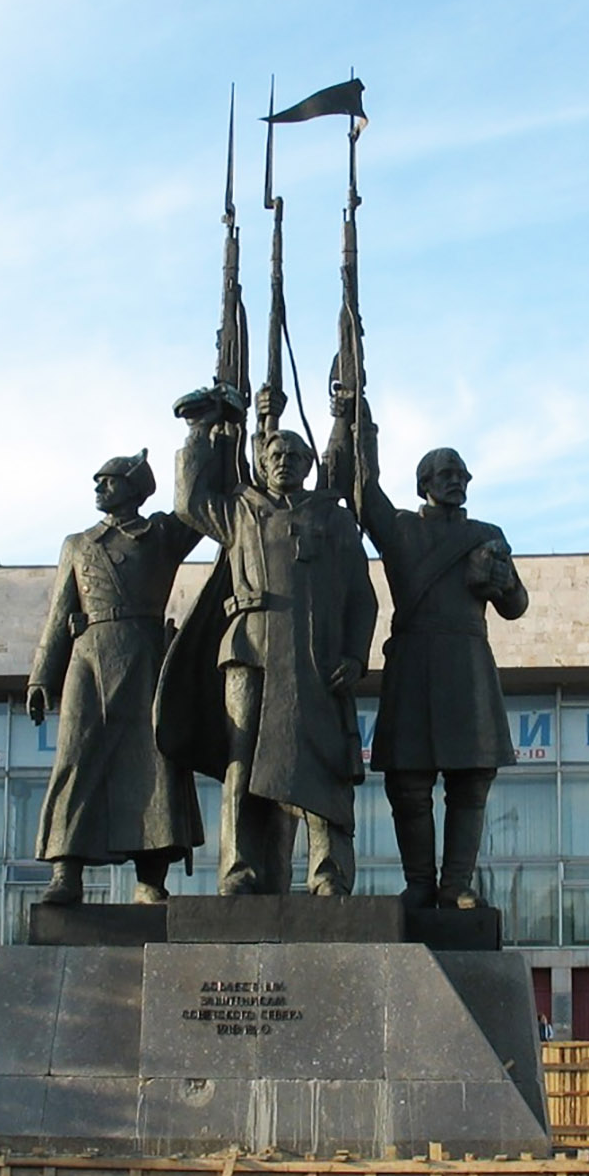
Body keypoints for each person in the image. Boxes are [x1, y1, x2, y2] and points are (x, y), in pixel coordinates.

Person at [162, 385, 377, 896]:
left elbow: (362, 596)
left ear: (308, 465)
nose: (283, 461)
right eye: (274, 454)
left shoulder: (334, 517)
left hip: (316, 655)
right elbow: (189, 501)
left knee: (324, 762)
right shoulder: (240, 510)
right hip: (250, 652)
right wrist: (200, 431)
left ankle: (329, 874)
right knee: (244, 761)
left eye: (293, 456)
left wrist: (353, 654)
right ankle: (239, 870)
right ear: (261, 460)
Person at [330, 400, 528, 908]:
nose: (454, 480)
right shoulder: (399, 528)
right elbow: (357, 487)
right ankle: (420, 883)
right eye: (443, 473)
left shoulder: (486, 535)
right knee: (409, 784)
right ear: (423, 483)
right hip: (414, 664)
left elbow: (516, 606)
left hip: (466, 666)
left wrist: (502, 582)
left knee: (470, 782)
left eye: (460, 473)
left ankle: (457, 884)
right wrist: (353, 418)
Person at [27, 449, 202, 904]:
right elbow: (59, 613)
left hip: (146, 657)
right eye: (98, 481)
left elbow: (196, 499)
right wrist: (41, 676)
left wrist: (203, 433)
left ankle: (150, 880)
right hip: (90, 660)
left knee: (153, 764)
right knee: (76, 759)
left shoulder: (160, 534)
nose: (99, 488)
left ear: (135, 486)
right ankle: (66, 874)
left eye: (108, 480)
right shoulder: (78, 544)